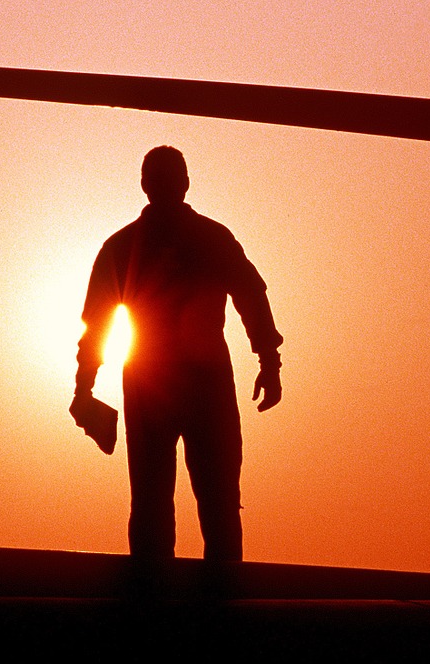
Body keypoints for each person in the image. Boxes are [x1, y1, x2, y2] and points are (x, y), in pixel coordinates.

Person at [71, 146, 282, 562]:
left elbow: (251, 296)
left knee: (206, 503)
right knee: (176, 505)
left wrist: (269, 361)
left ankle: (191, 602)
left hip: (187, 385)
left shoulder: (135, 244)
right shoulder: (161, 243)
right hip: (172, 384)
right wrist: (83, 386)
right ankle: (183, 603)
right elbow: (95, 325)